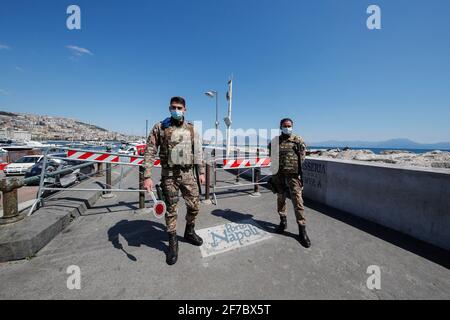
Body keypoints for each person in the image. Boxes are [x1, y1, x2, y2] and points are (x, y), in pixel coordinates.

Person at [143, 96, 205, 265]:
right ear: (169, 108)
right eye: (173, 107)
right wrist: (147, 175)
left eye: (179, 107)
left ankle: (189, 231)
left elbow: (198, 152)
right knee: (171, 209)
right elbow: (149, 151)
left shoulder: (191, 129)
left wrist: (200, 172)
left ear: (185, 109)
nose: (176, 110)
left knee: (194, 205)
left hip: (187, 175)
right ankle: (172, 243)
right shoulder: (160, 127)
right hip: (169, 176)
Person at [268, 118, 311, 248]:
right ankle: (283, 221)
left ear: (292, 126)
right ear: (280, 127)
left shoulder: (298, 140)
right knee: (280, 198)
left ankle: (302, 230)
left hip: (293, 175)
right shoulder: (275, 141)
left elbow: (302, 158)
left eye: (289, 126)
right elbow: (272, 156)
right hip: (279, 175)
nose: (287, 127)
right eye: (285, 126)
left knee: (298, 200)